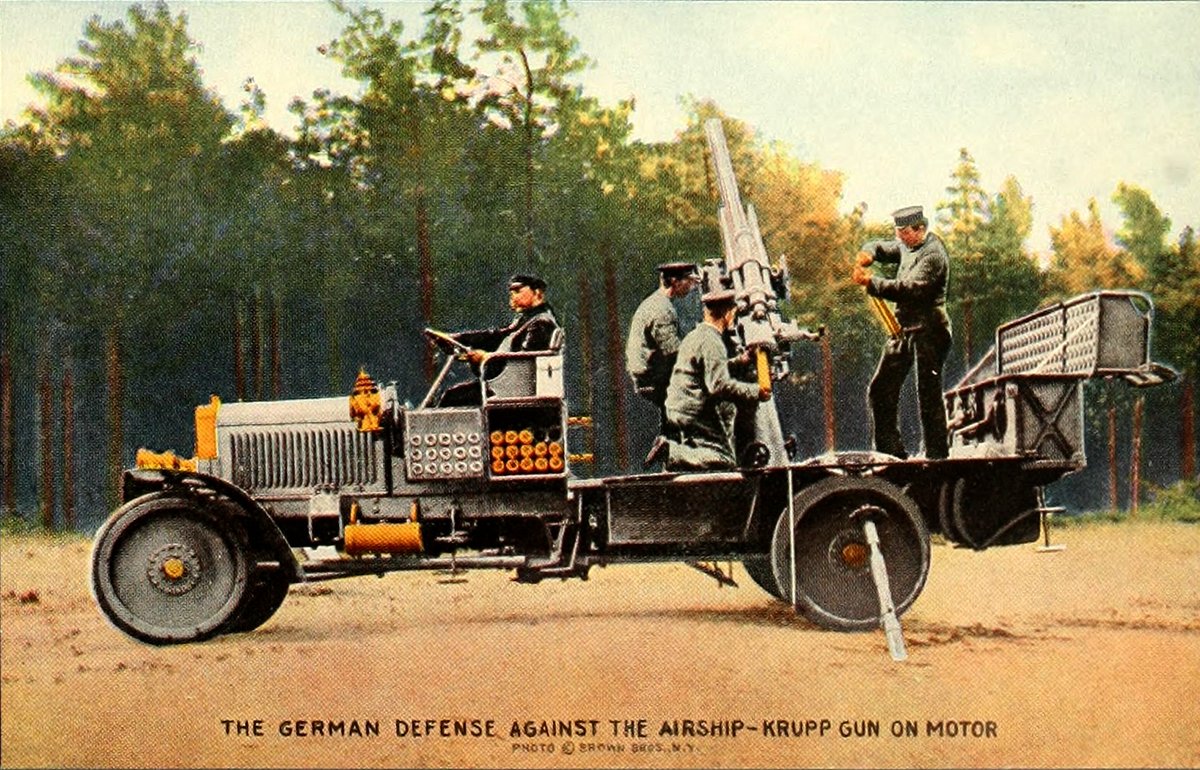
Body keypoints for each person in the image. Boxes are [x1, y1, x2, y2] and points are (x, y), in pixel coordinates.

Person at [852, 205, 952, 459]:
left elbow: (910, 289)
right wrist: (867, 253)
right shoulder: (908, 245)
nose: (899, 238)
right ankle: (890, 453)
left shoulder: (933, 255)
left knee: (928, 394)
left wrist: (871, 282)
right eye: (897, 233)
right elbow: (881, 247)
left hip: (930, 330)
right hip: (903, 329)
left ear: (920, 229)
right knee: (880, 389)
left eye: (903, 233)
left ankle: (937, 456)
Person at [644, 288, 770, 471]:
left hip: (680, 404)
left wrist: (740, 361)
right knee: (724, 459)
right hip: (694, 409)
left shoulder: (697, 335)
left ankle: (677, 456)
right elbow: (718, 385)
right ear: (729, 314)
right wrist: (757, 391)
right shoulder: (713, 342)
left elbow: (709, 369)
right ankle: (671, 452)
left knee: (706, 453)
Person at [438, 273, 560, 407]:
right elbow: (496, 336)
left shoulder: (541, 323)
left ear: (537, 293)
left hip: (513, 392)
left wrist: (485, 358)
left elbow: (524, 362)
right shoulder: (527, 320)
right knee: (453, 394)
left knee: (452, 397)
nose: (512, 297)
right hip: (507, 387)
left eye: (518, 291)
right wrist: (460, 339)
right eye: (511, 293)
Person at [625, 262, 700, 430]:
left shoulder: (656, 302)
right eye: (688, 280)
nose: (691, 285)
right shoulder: (662, 310)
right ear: (674, 281)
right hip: (651, 377)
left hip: (649, 373)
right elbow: (672, 351)